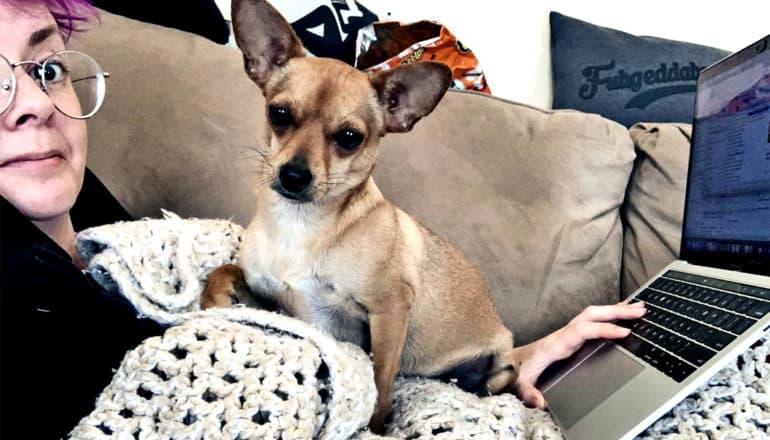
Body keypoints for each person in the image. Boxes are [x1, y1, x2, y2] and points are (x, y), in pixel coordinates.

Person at [0, 0, 646, 437]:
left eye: (342, 139)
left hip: (467, 360)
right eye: (284, 120)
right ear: (261, 67)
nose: (301, 161)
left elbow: (389, 307)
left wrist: (519, 357)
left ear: (396, 116)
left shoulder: (89, 213)